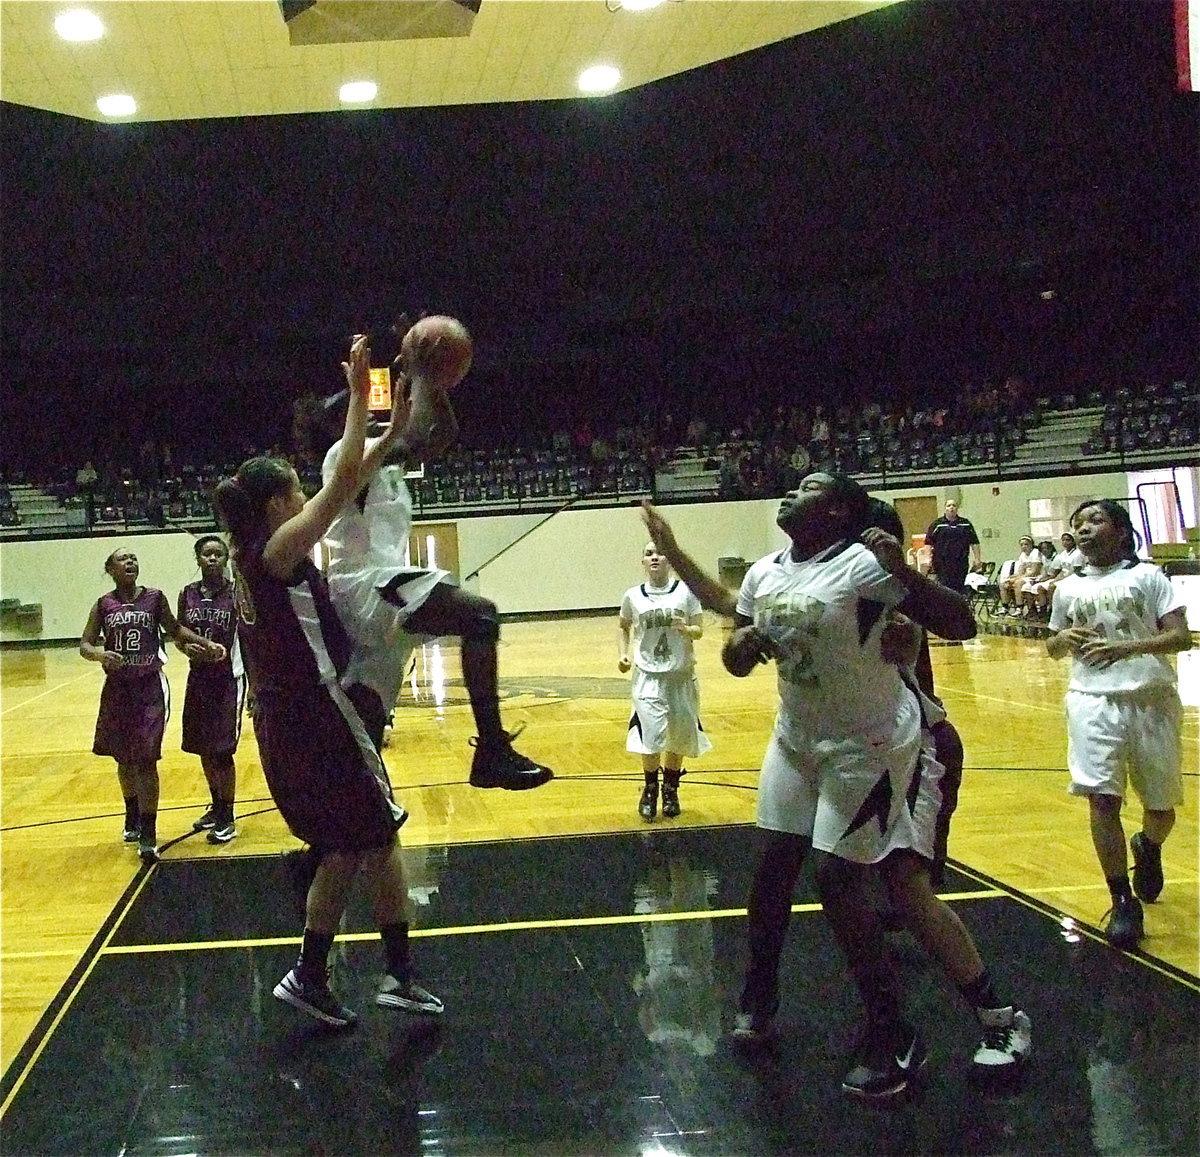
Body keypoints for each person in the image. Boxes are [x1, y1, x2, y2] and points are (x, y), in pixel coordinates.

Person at [641, 478, 1031, 1103]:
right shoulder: (770, 571)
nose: (790, 492)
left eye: (808, 488)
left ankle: (896, 1030)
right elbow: (735, 636)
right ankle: (759, 994)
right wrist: (736, 642)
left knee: (849, 880)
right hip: (796, 741)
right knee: (771, 869)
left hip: (867, 744)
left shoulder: (862, 566)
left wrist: (905, 576)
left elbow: (958, 622)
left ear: (837, 511)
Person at [213, 335, 442, 1029]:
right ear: (279, 502)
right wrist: (356, 419)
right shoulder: (277, 549)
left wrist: (392, 430)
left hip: (284, 726)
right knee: (381, 835)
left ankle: (309, 974)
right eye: (293, 486)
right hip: (317, 715)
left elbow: (347, 481)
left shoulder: (249, 555)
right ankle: (399, 975)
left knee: (344, 845)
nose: (303, 492)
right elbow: (342, 487)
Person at [310, 319, 552, 789]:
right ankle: (492, 751)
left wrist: (431, 382)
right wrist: (420, 369)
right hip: (365, 588)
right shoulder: (343, 455)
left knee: (365, 729)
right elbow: (419, 434)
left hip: (380, 605)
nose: (381, 420)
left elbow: (439, 433)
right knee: (480, 616)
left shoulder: (387, 459)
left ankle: (338, 824)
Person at [1046, 499, 1191, 950]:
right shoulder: (1066, 587)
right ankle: (1121, 898)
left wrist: (1126, 649)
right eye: (1078, 524)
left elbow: (1181, 637)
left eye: (1095, 520)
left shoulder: (1148, 577)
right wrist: (1062, 639)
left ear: (1122, 530)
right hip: (1091, 700)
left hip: (1151, 699)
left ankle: (1148, 845)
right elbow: (1053, 647)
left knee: (1162, 807)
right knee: (1102, 798)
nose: (1084, 529)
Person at [80, 547, 224, 864]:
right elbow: (85, 644)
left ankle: (148, 831)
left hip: (149, 686)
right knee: (123, 758)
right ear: (111, 569)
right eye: (123, 559)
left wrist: (203, 642)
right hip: (118, 689)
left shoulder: (155, 598)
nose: (131, 562)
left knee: (146, 759)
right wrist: (101, 655)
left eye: (134, 558)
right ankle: (131, 812)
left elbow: (175, 630)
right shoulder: (104, 604)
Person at [617, 541, 711, 821]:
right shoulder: (633, 596)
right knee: (651, 736)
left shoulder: (686, 593)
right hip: (648, 676)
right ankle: (649, 790)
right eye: (648, 554)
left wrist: (687, 630)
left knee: (680, 736)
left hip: (681, 675)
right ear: (642, 562)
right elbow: (623, 626)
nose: (654, 557)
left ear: (669, 560)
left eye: (659, 553)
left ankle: (671, 788)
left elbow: (700, 631)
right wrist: (623, 654)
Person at [177, 534, 245, 844]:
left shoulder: (237, 593)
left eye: (218, 554)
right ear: (198, 559)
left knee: (221, 750)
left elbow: (249, 635)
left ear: (226, 559)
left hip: (228, 679)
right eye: (207, 554)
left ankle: (227, 816)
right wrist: (187, 649)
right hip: (198, 677)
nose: (213, 559)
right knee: (203, 747)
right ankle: (216, 806)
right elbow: (179, 635)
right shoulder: (187, 594)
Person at [924, 499, 981, 594]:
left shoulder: (966, 524)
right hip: (942, 562)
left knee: (959, 588)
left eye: (954, 505)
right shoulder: (937, 524)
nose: (951, 508)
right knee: (945, 587)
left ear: (957, 508)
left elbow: (974, 542)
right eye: (949, 505)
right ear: (945, 508)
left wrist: (977, 559)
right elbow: (928, 542)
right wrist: (927, 558)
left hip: (961, 562)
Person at [1028, 530, 1085, 618]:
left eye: (1068, 540)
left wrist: (1057, 580)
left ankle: (1053, 611)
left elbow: (1076, 572)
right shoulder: (1062, 554)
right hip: (1061, 577)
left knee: (1052, 587)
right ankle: (1043, 612)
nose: (1065, 542)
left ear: (1073, 541)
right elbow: (1055, 571)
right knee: (1040, 588)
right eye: (1063, 540)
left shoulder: (1078, 554)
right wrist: (1047, 579)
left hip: (1074, 578)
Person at [998, 534, 1044, 615]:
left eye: (1026, 544)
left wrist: (1018, 578)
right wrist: (1011, 577)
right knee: (1003, 583)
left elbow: (1035, 571)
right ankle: (1005, 607)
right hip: (1025, 576)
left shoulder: (1035, 553)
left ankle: (1019, 608)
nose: (1024, 546)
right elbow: (1020, 571)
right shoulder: (1023, 555)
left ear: (1031, 544)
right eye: (1022, 545)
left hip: (1035, 577)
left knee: (1017, 583)